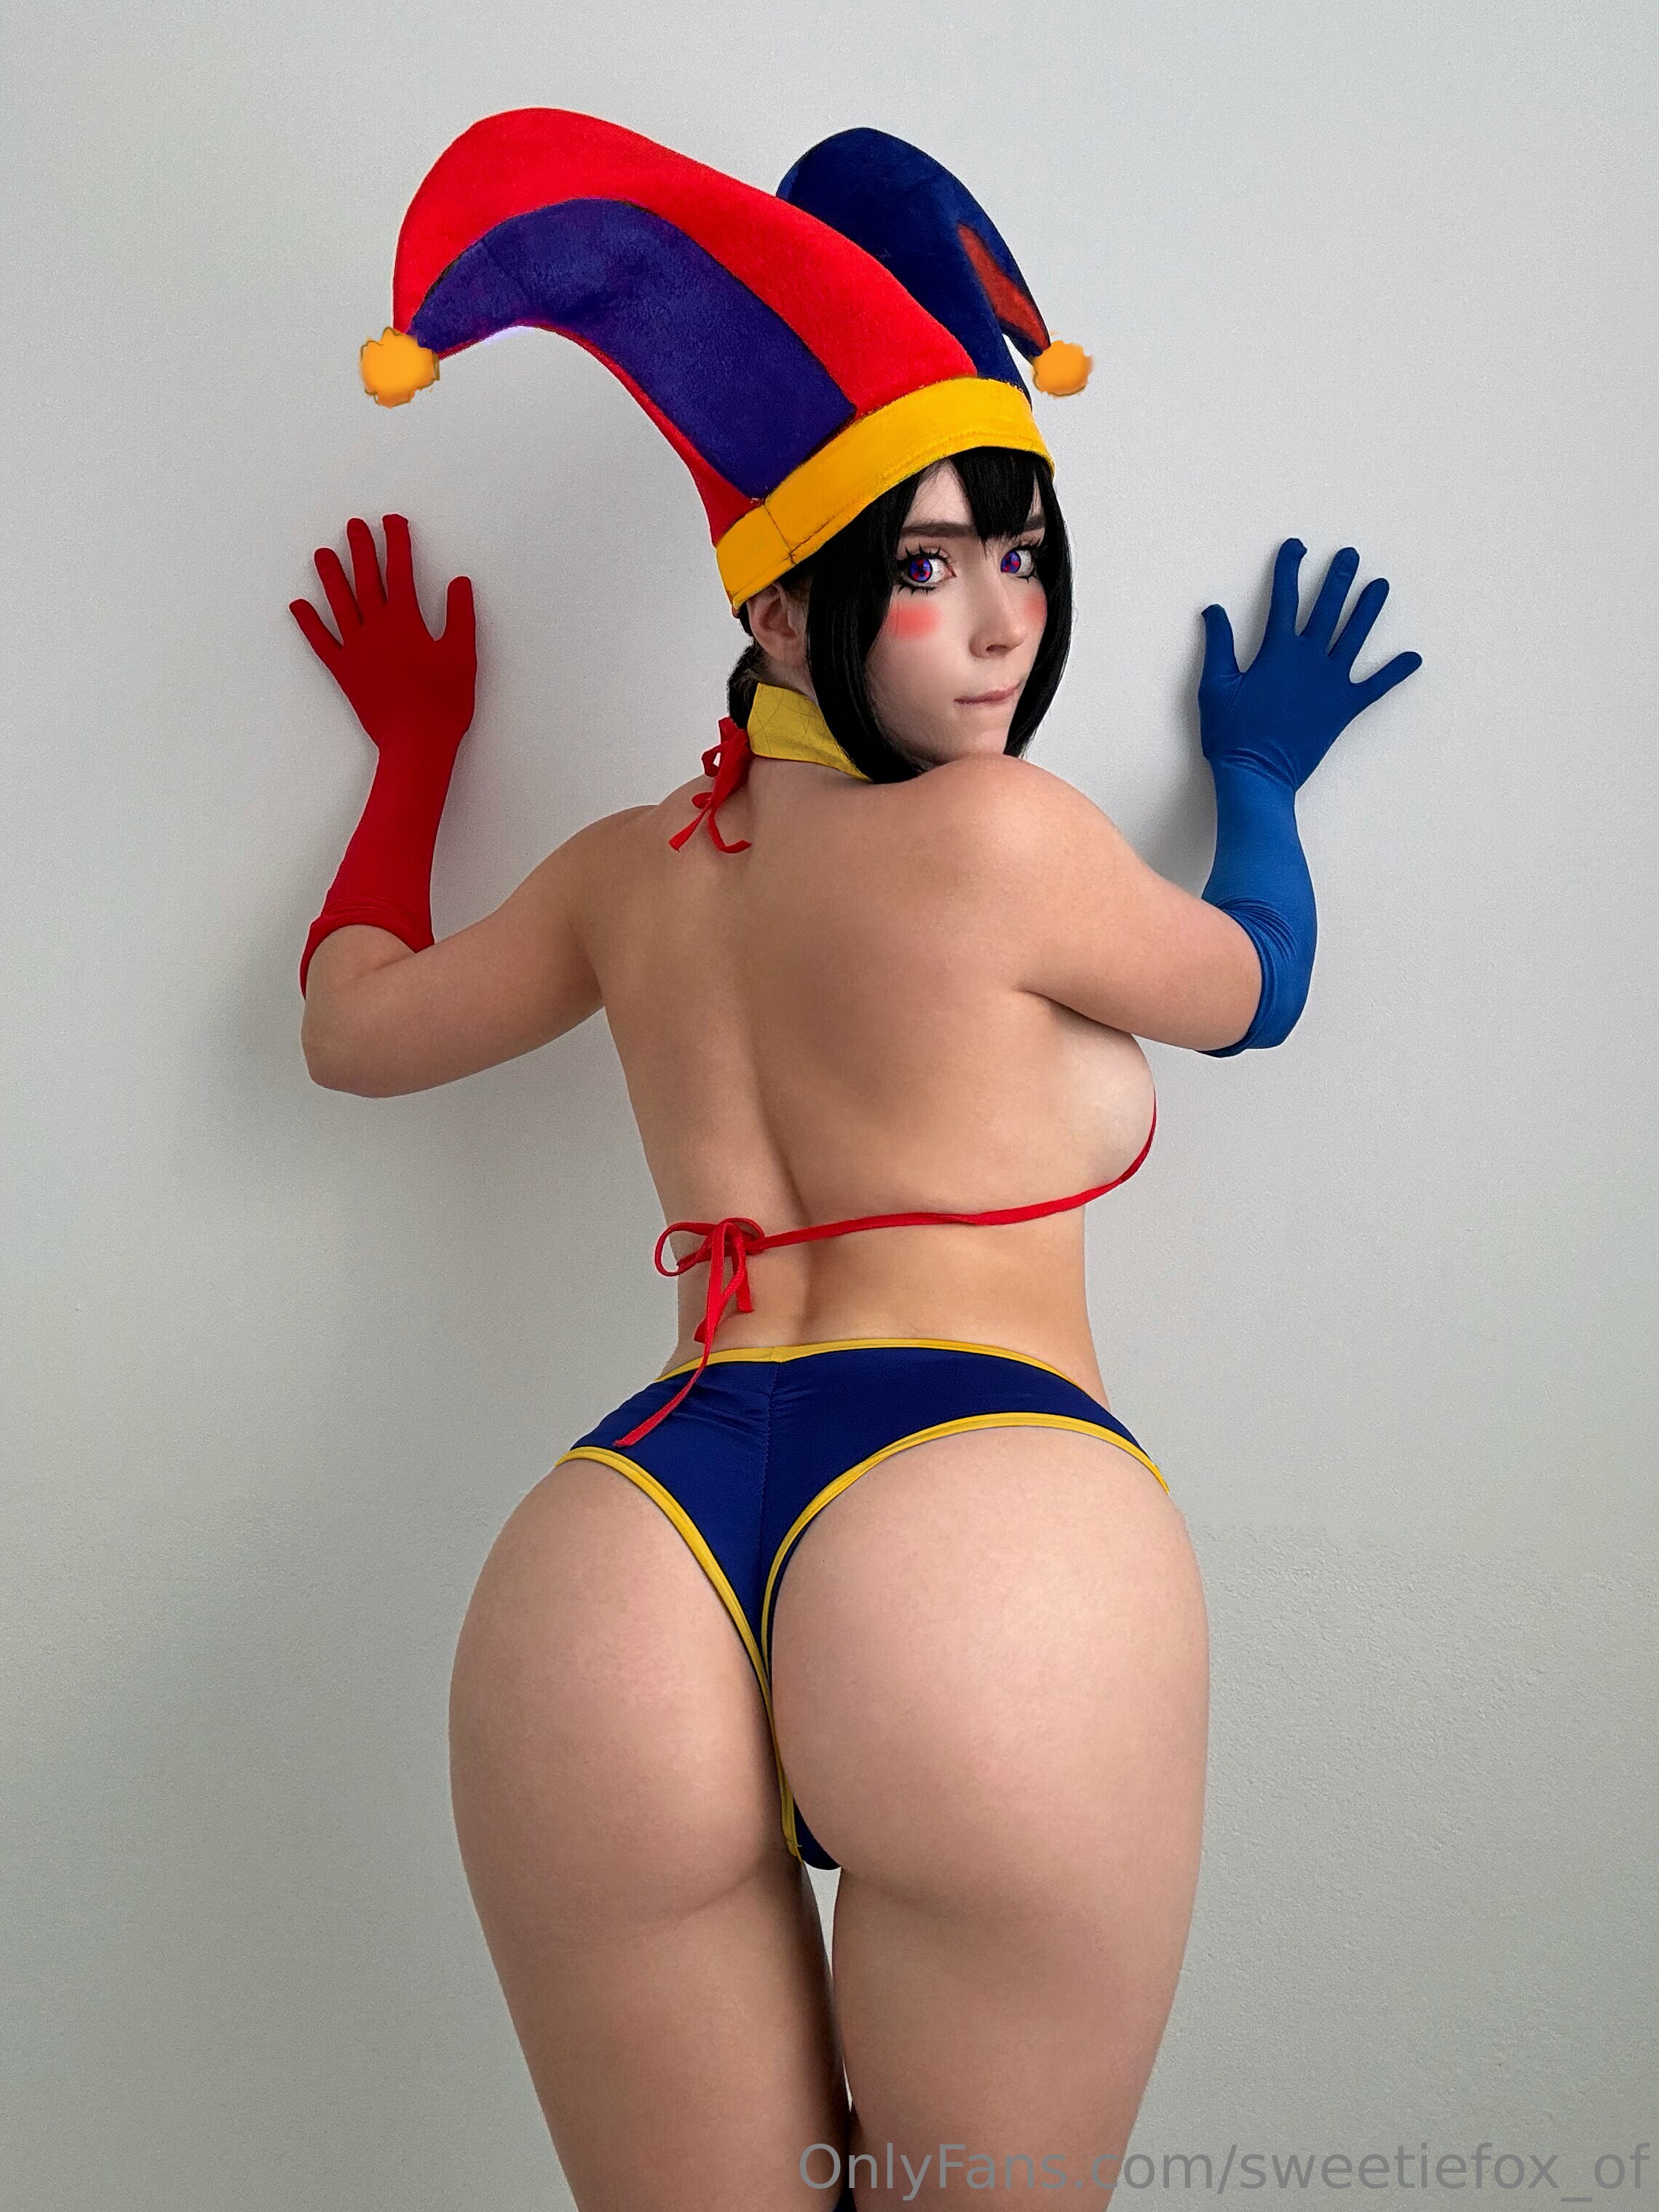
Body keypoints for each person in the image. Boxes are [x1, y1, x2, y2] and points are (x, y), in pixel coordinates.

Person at [290, 112, 1420, 2211]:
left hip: (620, 1558)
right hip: (980, 1533)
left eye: (1020, 553)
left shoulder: (629, 872)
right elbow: (1256, 985)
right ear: (786, 616)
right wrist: (1258, 775)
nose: (1001, 626)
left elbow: (350, 1029)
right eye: (922, 567)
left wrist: (415, 760)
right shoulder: (1009, 838)